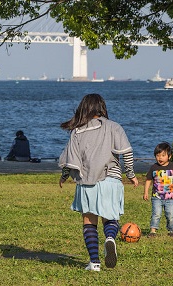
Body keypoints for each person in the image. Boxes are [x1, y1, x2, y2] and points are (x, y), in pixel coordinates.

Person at [58, 93, 139, 272]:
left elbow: (70, 159)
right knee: (110, 218)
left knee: (89, 222)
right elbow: (127, 152)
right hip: (112, 179)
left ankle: (94, 263)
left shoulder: (77, 131)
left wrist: (64, 175)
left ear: (84, 108)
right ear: (102, 107)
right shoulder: (114, 127)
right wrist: (131, 174)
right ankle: (110, 238)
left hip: (87, 182)